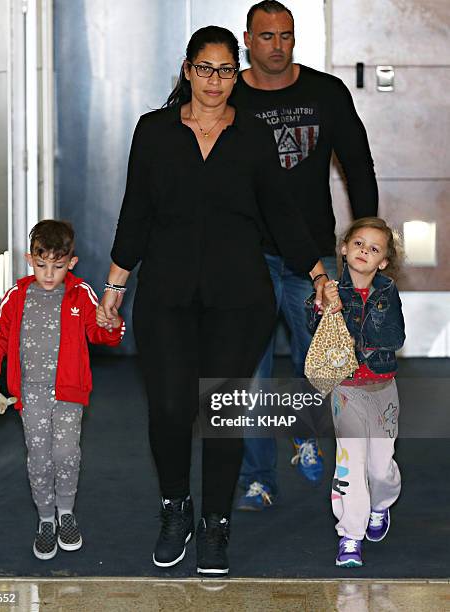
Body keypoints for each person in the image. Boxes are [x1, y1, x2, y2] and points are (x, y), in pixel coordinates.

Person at [97, 26, 333, 577]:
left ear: (237, 73)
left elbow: (281, 213)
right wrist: (114, 286)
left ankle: (217, 525)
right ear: (186, 70)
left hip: (239, 296)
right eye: (205, 68)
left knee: (222, 410)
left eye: (226, 70)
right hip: (166, 295)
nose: (216, 81)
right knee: (172, 408)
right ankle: (176, 506)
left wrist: (319, 274)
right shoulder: (153, 132)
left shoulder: (252, 135)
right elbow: (135, 212)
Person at [230, 0, 379, 508]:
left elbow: (357, 164)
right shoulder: (228, 96)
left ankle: (301, 428)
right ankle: (258, 477)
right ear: (247, 40)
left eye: (286, 35)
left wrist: (368, 240)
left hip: (312, 256)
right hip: (247, 256)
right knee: (250, 371)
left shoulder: (325, 92)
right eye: (266, 36)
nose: (277, 46)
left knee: (323, 363)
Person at [0, 220, 125, 560]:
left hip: (69, 393)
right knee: (40, 457)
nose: (48, 274)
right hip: (31, 395)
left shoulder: (80, 293)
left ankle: (66, 513)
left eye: (57, 267)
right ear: (31, 259)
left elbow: (100, 332)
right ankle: (46, 519)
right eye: (42, 265)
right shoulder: (17, 295)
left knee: (66, 454)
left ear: (70, 263)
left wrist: (111, 324)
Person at [308, 217, 405, 567]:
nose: (365, 251)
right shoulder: (331, 290)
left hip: (382, 388)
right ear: (345, 249)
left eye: (374, 248)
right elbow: (316, 335)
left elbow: (394, 338)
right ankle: (350, 534)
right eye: (359, 243)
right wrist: (323, 306)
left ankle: (381, 505)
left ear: (382, 262)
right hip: (345, 391)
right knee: (349, 466)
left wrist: (356, 338)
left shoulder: (387, 292)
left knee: (380, 469)